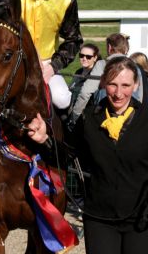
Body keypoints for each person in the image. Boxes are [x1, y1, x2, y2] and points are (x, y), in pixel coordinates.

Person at [27, 56, 148, 254]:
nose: (119, 93)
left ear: (135, 85)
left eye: (125, 85)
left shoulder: (146, 119)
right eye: (112, 84)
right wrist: (44, 140)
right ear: (102, 83)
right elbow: (67, 156)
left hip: (140, 220)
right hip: (100, 218)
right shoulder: (90, 118)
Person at [67, 33, 143, 128]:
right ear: (125, 48)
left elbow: (85, 93)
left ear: (109, 47)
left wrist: (74, 117)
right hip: (132, 119)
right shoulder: (136, 67)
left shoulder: (102, 64)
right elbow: (139, 97)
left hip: (105, 119)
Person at [68, 43, 101, 117]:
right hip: (70, 110)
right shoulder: (78, 72)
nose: (84, 59)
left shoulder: (95, 76)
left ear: (95, 58)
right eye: (81, 55)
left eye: (88, 57)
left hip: (84, 115)